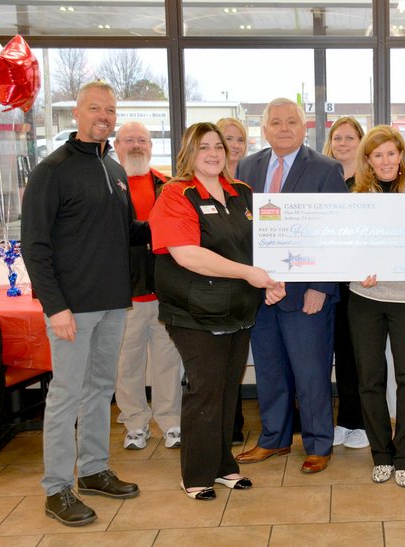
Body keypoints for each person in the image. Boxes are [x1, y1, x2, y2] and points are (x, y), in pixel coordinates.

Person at [22, 81, 145, 526]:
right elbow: (33, 245)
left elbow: (128, 233)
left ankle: (93, 470)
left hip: (114, 303)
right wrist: (55, 307)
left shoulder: (114, 168)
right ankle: (57, 488)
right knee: (65, 396)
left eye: (110, 109)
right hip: (72, 308)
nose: (104, 116)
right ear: (76, 113)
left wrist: (169, 220)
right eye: (95, 108)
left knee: (99, 392)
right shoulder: (52, 170)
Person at [148, 122, 285, 500]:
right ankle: (195, 474)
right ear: (188, 153)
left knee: (227, 390)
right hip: (194, 314)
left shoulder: (242, 193)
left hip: (237, 311)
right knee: (205, 392)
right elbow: (187, 254)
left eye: (218, 147)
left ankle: (224, 466)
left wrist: (273, 281)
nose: (213, 154)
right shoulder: (176, 194)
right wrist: (250, 274)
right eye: (203, 147)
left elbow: (266, 245)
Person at [236, 98, 347, 474]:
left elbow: (336, 233)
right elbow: (241, 230)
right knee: (269, 370)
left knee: (311, 372)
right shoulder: (246, 167)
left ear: (305, 127)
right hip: (260, 290)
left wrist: (321, 286)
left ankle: (318, 443)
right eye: (276, 122)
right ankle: (274, 439)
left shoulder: (326, 169)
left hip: (306, 294)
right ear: (264, 128)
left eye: (291, 122)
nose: (284, 129)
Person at [349, 125, 405, 487]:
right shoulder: (354, 198)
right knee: (370, 378)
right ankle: (380, 453)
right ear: (368, 160)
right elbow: (343, 250)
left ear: (401, 157)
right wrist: (354, 268)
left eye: (391, 153)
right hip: (365, 298)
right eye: (377, 154)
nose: (385, 161)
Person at [112, 121, 183, 451]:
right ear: (117, 144)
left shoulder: (167, 185)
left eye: (142, 140)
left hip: (164, 290)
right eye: (129, 140)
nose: (136, 145)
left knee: (168, 360)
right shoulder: (107, 184)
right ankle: (136, 424)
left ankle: (171, 423)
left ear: (152, 146)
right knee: (127, 364)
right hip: (123, 294)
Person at [322, 116, 370, 450]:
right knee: (335, 352)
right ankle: (341, 421)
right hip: (329, 281)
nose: (343, 143)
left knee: (358, 355)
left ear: (360, 142)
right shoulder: (322, 177)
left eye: (350, 138)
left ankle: (359, 422)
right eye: (337, 138)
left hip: (362, 282)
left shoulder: (369, 182)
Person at [216, 116, 250, 444]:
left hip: (250, 288)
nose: (234, 146)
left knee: (237, 361)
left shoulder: (251, 181)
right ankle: (228, 429)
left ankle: (232, 425)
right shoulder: (203, 183)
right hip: (217, 289)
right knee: (219, 368)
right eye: (227, 139)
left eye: (239, 139)